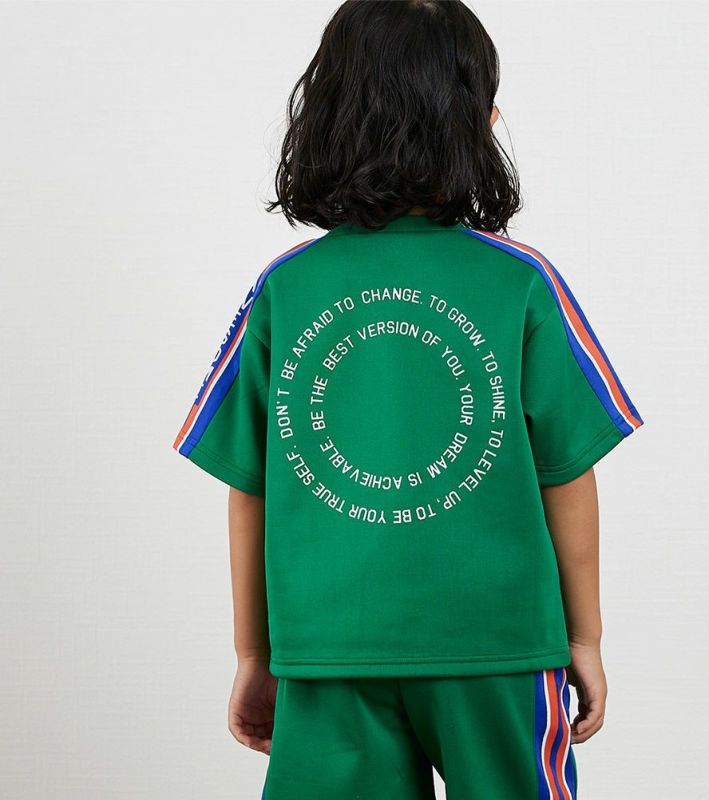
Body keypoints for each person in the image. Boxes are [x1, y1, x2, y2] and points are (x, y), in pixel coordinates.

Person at [172, 1, 644, 797]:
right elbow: (566, 473)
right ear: (480, 124)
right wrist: (585, 639)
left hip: (328, 645)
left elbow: (250, 487)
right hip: (498, 643)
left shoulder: (285, 290)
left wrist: (254, 653)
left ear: (328, 118)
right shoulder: (523, 283)